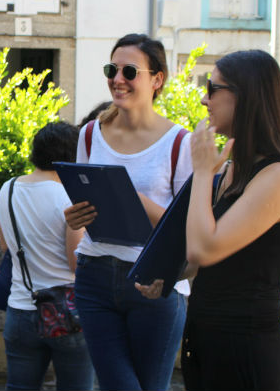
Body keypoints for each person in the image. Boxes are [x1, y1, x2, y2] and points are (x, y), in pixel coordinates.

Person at [63, 34, 193, 391]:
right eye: (112, 69)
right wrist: (75, 217)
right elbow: (81, 203)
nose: (117, 79)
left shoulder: (180, 142)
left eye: (130, 71)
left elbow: (190, 226)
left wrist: (131, 198)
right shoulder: (90, 134)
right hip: (94, 274)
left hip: (154, 280)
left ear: (157, 79)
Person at [182, 50, 280, 390]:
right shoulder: (232, 168)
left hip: (245, 348)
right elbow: (204, 258)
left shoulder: (279, 175)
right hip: (206, 340)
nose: (205, 99)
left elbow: (203, 250)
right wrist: (164, 275)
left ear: (246, 96)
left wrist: (202, 172)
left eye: (213, 87)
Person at [0, 121, 94, 391]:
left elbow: (6, 248)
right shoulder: (70, 196)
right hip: (68, 313)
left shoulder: (9, 188)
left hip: (20, 309)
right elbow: (76, 263)